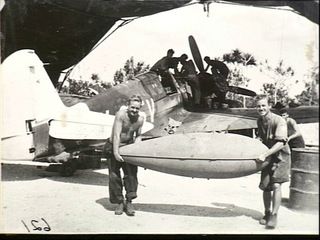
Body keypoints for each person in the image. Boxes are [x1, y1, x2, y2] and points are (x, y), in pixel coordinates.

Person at [255, 95, 291, 229]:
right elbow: (261, 137)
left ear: (269, 106)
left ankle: (274, 216)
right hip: (267, 156)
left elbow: (281, 143)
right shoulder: (259, 120)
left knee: (276, 185)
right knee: (265, 186)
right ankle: (267, 213)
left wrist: (265, 154)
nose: (261, 108)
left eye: (263, 105)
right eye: (258, 106)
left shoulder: (279, 120)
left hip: (280, 156)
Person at [106, 95, 144, 216]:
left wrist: (136, 149)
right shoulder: (121, 115)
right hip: (114, 146)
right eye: (132, 107)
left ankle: (129, 201)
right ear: (128, 106)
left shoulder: (140, 119)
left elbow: (138, 135)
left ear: (140, 108)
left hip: (128, 147)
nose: (134, 110)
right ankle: (119, 202)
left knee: (131, 175)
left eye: (137, 108)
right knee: (114, 176)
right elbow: (116, 135)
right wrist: (116, 152)